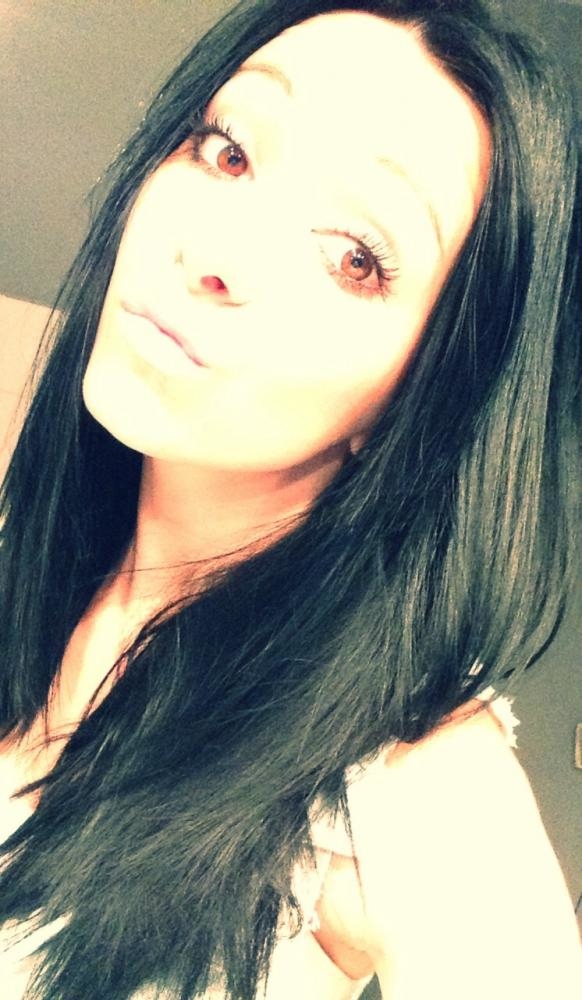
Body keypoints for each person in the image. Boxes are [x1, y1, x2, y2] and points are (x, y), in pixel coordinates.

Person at [0, 0, 580, 997]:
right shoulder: (28, 578)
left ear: (420, 397)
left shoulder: (417, 782)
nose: (214, 254)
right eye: (228, 151)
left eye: (355, 257)